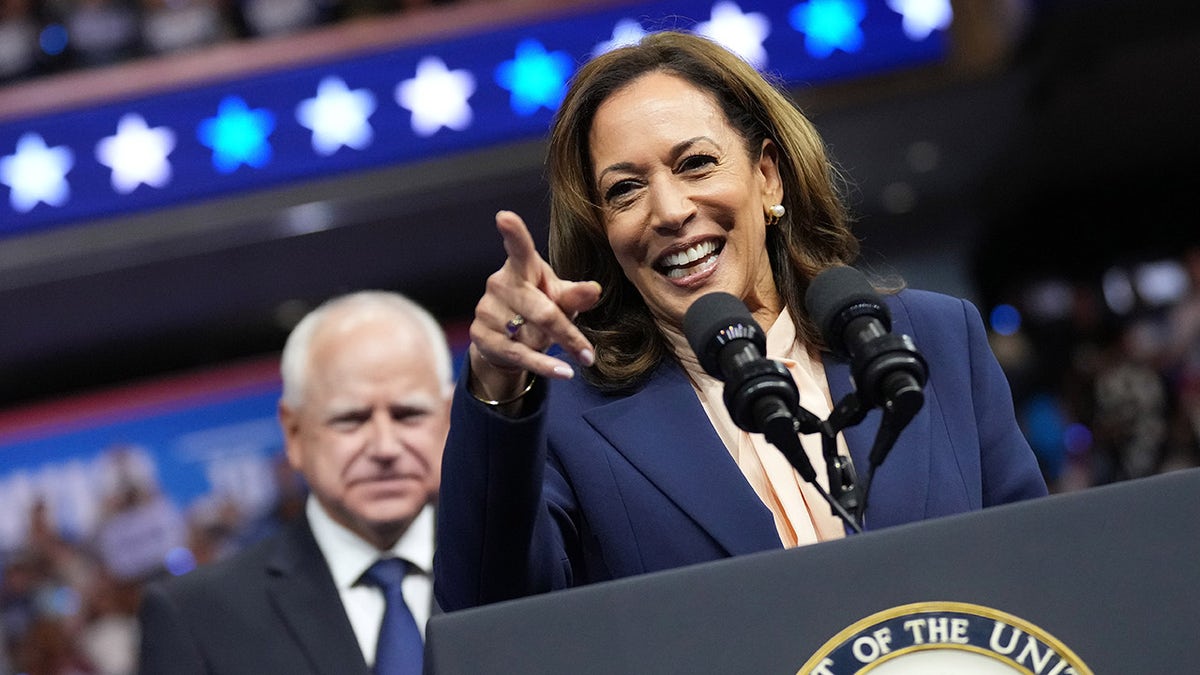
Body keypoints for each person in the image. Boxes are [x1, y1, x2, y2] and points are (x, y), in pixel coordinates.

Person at [434, 31, 1047, 611]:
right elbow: (488, 608)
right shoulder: (569, 418)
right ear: (604, 231)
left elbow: (1036, 567)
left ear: (767, 175)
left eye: (696, 164)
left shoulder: (933, 339)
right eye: (625, 190)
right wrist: (494, 385)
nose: (670, 211)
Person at [137, 290, 453, 674]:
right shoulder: (196, 617)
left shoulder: (516, 571)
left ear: (448, 419)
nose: (385, 447)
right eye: (350, 419)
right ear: (294, 433)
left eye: (408, 414)